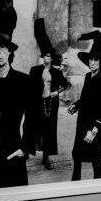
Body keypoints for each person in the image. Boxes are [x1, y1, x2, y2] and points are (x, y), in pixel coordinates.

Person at [0, 0, 36, 189]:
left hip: (14, 161)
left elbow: (33, 118)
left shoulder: (24, 83)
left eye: (1, 46)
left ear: (10, 52)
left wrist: (25, 148)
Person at [68, 30, 101, 181]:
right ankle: (75, 184)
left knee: (95, 159)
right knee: (77, 157)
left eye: (95, 60)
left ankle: (98, 185)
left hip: (93, 127)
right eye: (90, 59)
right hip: (81, 123)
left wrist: (94, 131)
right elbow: (85, 99)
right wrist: (76, 105)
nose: (92, 63)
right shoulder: (88, 76)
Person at [29, 18, 68, 170]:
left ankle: (46, 158)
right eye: (44, 56)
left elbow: (65, 85)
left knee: (49, 130)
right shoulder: (35, 70)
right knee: (33, 127)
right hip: (37, 103)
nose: (46, 58)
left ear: (51, 58)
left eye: (48, 56)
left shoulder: (56, 73)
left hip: (51, 105)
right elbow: (30, 86)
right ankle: (26, 150)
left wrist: (55, 92)